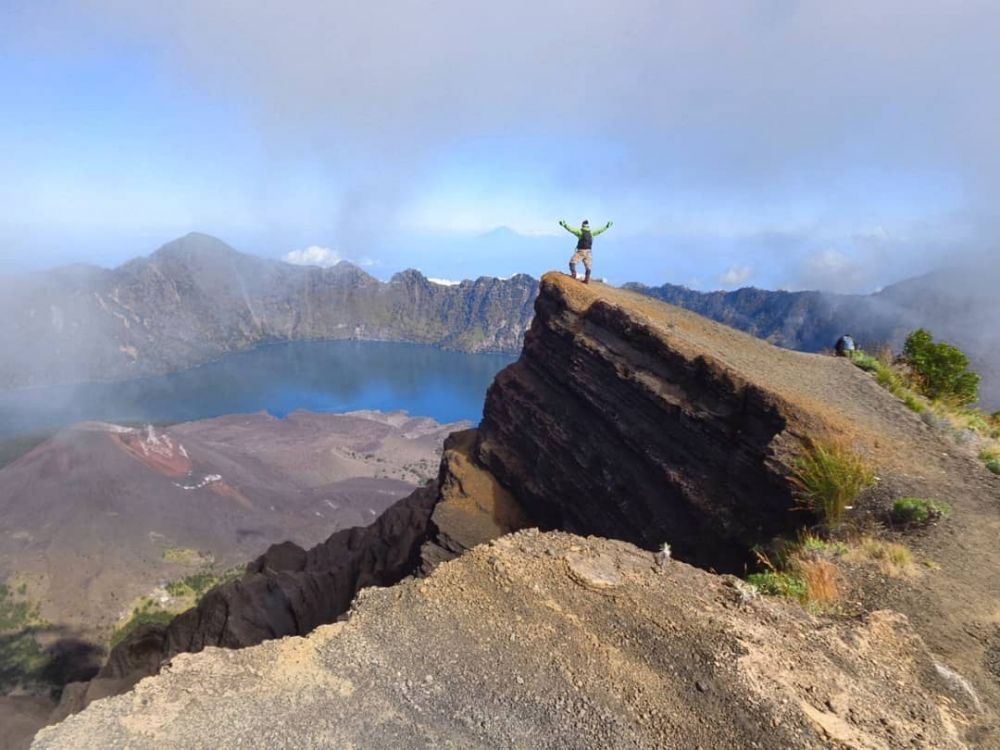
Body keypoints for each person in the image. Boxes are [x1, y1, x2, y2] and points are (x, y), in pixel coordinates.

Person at [559, 218, 613, 284]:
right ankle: (586, 280)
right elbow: (600, 230)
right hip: (589, 252)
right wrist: (607, 226)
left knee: (572, 263)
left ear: (582, 225)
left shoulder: (580, 232)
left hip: (581, 251)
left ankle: (574, 275)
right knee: (588, 267)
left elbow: (571, 229)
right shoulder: (592, 232)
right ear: (588, 226)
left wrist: (565, 225)